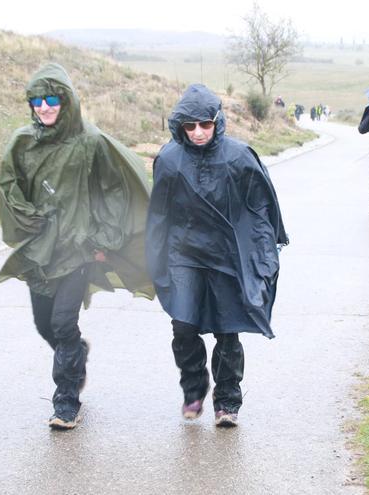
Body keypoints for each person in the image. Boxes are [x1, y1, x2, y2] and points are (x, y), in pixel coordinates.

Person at [0, 63, 154, 430]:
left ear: (67, 101)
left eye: (52, 99)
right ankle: (76, 354)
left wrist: (103, 239)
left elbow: (115, 190)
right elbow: (7, 185)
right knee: (43, 324)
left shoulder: (90, 142)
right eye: (37, 100)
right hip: (41, 251)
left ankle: (66, 401)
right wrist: (28, 216)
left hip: (79, 250)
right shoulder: (23, 142)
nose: (44, 107)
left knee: (63, 323)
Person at [145, 84, 288, 428]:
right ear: (180, 126)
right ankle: (194, 388)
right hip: (184, 254)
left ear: (217, 121)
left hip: (227, 255)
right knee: (183, 326)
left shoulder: (238, 157)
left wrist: (264, 252)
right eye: (190, 126)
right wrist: (152, 255)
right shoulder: (169, 160)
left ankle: (227, 401)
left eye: (205, 124)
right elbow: (159, 213)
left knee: (227, 329)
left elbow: (260, 208)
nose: (198, 132)